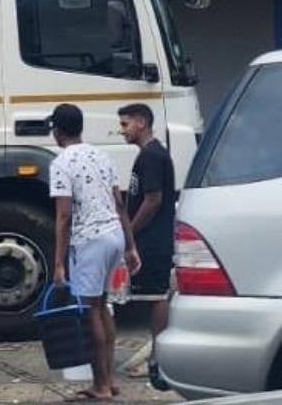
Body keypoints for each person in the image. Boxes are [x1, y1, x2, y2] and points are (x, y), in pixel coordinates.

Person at [49, 104, 141, 402]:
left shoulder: (61, 163)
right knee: (103, 306)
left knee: (90, 313)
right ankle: (110, 380)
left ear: (58, 130)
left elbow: (63, 216)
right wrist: (130, 245)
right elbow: (119, 203)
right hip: (114, 234)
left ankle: (100, 385)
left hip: (90, 239)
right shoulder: (101, 155)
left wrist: (58, 262)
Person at [118, 103, 175, 386]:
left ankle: (158, 359)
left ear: (141, 122)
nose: (122, 131)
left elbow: (153, 200)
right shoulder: (149, 155)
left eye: (126, 124)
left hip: (152, 238)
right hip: (151, 237)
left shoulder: (152, 156)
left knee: (156, 296)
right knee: (152, 296)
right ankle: (157, 356)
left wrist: (130, 230)